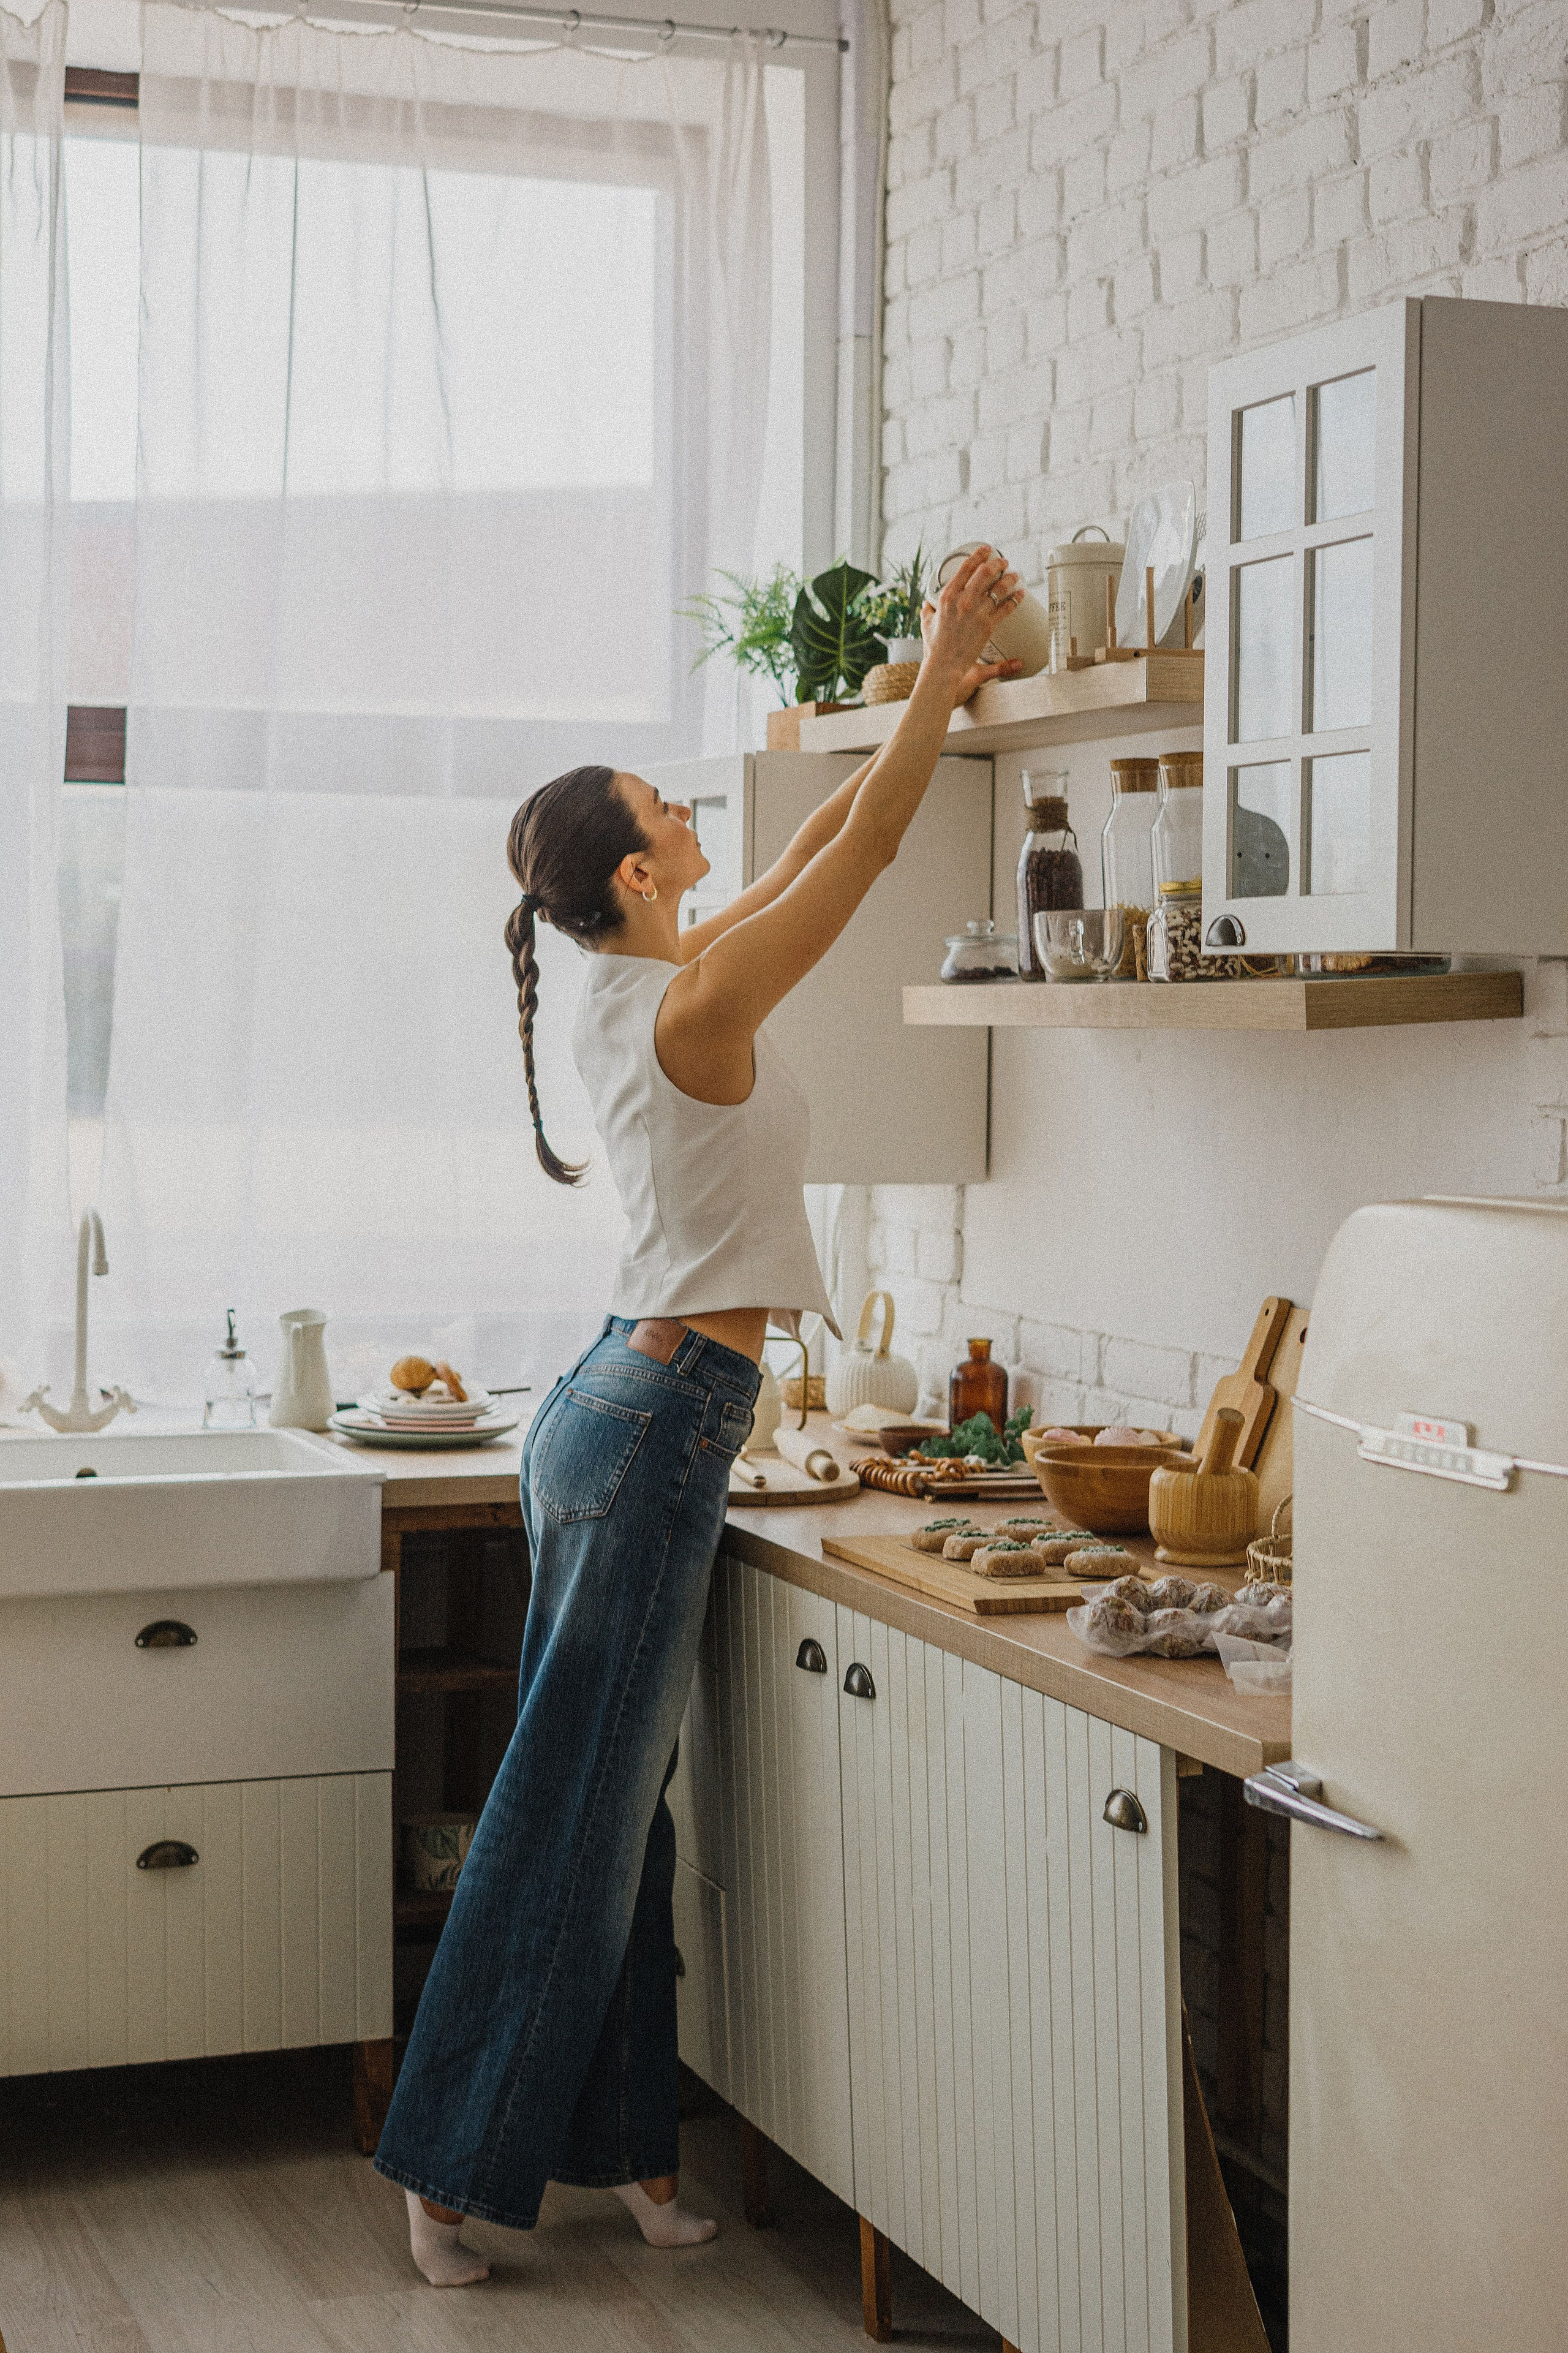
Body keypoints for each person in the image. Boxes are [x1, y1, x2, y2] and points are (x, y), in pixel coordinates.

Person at [372, 546, 1023, 2285]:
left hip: (620, 1400)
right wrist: (942, 666)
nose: (687, 802)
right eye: (664, 801)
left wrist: (921, 697)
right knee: (575, 1816)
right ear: (638, 868)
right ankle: (444, 2166)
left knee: (615, 1806)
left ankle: (632, 2158)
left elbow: (818, 848)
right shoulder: (692, 996)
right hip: (658, 1418)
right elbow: (869, 854)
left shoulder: (647, 974)